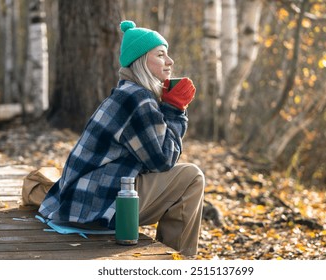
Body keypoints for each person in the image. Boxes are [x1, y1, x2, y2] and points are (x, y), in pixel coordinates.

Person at [39, 20, 205, 256]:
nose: (170, 61)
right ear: (140, 62)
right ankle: (178, 258)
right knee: (191, 177)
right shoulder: (138, 99)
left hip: (81, 203)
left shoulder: (127, 93)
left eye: (167, 54)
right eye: (160, 55)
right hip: (97, 207)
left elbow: (151, 161)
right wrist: (176, 109)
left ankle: (170, 252)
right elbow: (163, 160)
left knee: (184, 175)